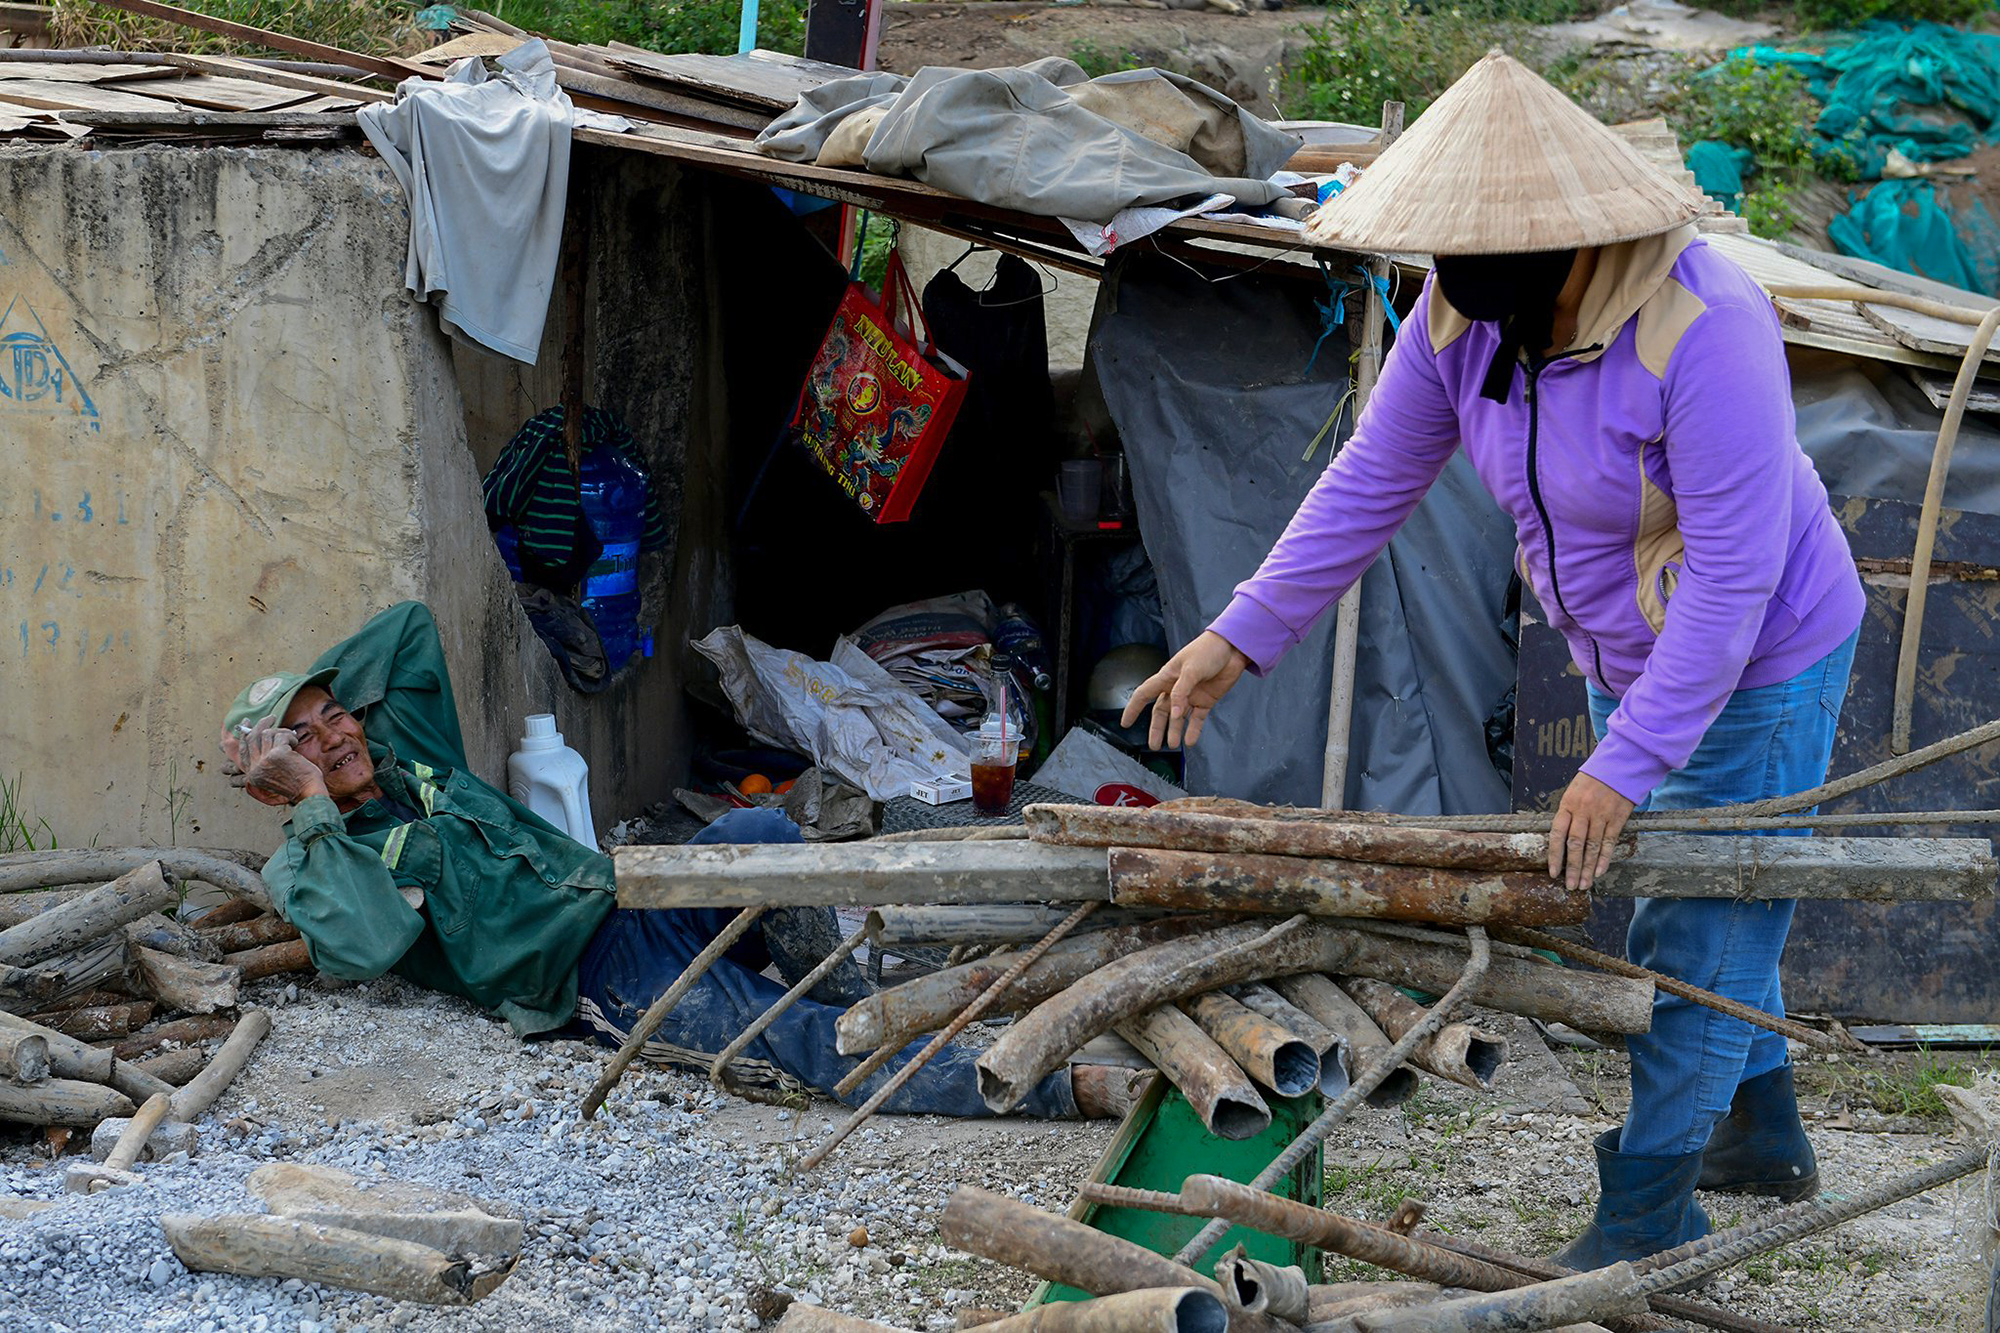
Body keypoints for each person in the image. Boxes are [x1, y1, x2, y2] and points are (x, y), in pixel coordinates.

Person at [1123, 53, 1864, 1268]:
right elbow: (1371, 479)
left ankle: (1645, 1211)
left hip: (1762, 657)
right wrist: (1235, 636)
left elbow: (1732, 581)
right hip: (1622, 644)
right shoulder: (1461, 313)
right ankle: (1761, 1133)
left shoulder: (1704, 326)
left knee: (1694, 923)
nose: (1445, 286)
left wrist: (1622, 763)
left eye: (1471, 263)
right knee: (1713, 893)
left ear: (1567, 243)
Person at [218, 600, 1141, 1119]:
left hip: (627, 896)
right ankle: (1056, 1087)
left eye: (335, 713)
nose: (332, 736)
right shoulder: (314, 860)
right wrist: (300, 795)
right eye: (303, 738)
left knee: (771, 838)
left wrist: (308, 696)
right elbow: (370, 942)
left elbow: (412, 627)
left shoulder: (409, 753)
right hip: (591, 980)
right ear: (276, 779)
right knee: (785, 1042)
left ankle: (832, 989)